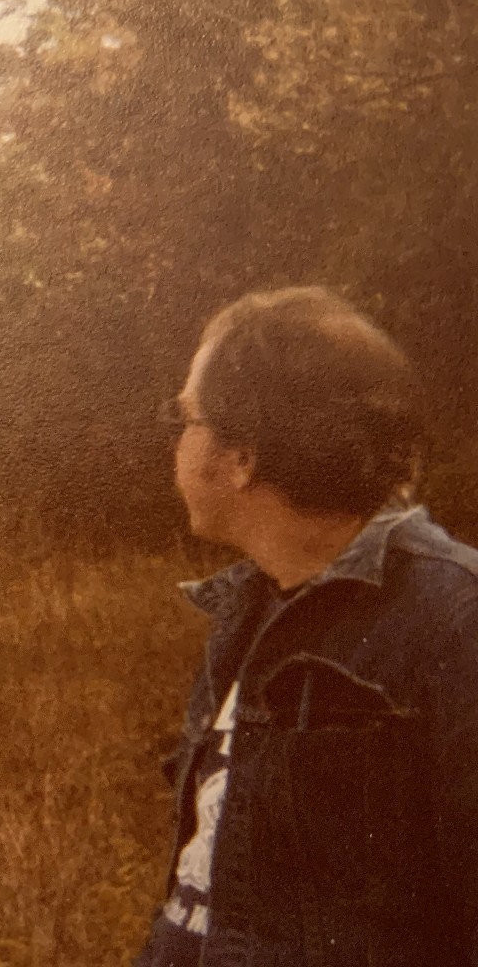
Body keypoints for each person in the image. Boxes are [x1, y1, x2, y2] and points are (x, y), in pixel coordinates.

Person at [134, 286, 478, 966]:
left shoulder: (454, 622)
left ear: (242, 458)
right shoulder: (252, 609)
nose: (176, 441)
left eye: (187, 418)